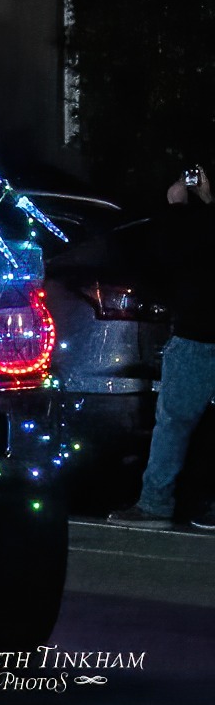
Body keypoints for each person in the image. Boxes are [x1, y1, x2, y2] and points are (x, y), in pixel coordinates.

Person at [111, 162, 215, 529]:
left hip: (198, 335)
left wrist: (175, 207)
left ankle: (155, 503)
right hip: (198, 333)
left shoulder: (195, 226)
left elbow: (171, 253)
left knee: (174, 423)